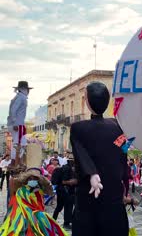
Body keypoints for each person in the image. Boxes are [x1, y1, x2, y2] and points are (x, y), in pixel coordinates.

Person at [70, 82, 129, 236]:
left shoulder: (78, 128)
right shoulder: (119, 127)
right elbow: (123, 152)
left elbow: (80, 153)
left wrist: (92, 173)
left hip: (88, 197)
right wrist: (125, 181)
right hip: (114, 195)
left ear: (88, 102)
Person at [0, 168, 67, 235]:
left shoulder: (39, 191)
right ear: (26, 180)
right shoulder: (21, 190)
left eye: (35, 179)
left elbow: (42, 202)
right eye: (30, 179)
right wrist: (32, 215)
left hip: (37, 214)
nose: (32, 180)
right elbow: (23, 204)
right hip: (23, 214)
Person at [7, 81, 32, 166]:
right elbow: (13, 110)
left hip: (19, 123)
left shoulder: (18, 97)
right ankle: (14, 161)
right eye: (28, 90)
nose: (29, 92)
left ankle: (18, 160)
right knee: (18, 143)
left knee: (22, 143)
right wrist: (14, 123)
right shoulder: (21, 98)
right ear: (24, 89)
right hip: (18, 124)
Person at [53, 155, 77, 230]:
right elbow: (63, 181)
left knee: (60, 207)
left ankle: (53, 221)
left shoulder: (69, 168)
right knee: (67, 207)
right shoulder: (67, 168)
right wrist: (72, 181)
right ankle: (66, 224)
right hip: (65, 191)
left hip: (63, 191)